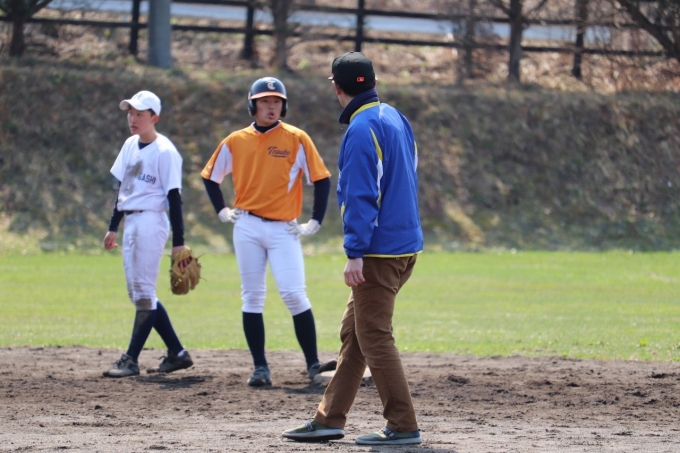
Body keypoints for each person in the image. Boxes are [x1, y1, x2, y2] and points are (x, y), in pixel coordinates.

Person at [282, 52, 424, 445]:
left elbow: (360, 196)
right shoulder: (395, 117)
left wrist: (355, 252)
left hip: (378, 251)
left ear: (336, 87)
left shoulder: (361, 129)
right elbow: (408, 175)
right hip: (403, 244)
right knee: (356, 333)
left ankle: (403, 425)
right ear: (373, 82)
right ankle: (329, 418)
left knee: (374, 336)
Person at [201, 77, 337, 387]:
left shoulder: (297, 138)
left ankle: (313, 364)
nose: (271, 106)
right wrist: (222, 210)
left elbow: (322, 179)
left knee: (294, 293)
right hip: (246, 225)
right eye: (264, 101)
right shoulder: (235, 140)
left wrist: (314, 221)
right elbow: (210, 176)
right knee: (252, 296)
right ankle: (260, 367)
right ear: (252, 106)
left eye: (276, 101)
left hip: (283, 228)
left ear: (283, 106)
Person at [102, 90, 194, 378]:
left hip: (152, 222)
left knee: (143, 293)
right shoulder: (130, 144)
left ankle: (130, 359)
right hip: (131, 221)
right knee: (138, 294)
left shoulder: (165, 152)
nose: (133, 118)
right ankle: (177, 353)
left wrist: (179, 243)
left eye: (139, 114)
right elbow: (124, 188)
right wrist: (113, 226)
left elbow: (174, 198)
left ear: (155, 118)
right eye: (130, 113)